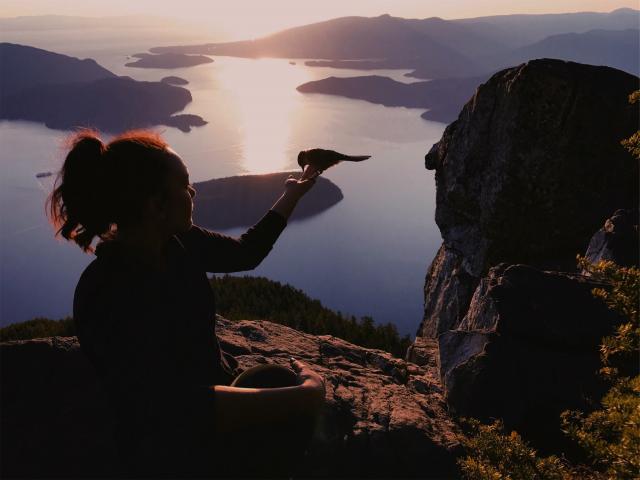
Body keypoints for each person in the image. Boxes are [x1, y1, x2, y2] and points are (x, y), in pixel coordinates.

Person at [48, 129, 326, 477]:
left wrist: (292, 194)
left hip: (211, 409)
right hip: (172, 451)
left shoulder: (179, 244)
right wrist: (304, 397)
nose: (193, 192)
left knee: (274, 377)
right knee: (293, 406)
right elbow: (172, 408)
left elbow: (246, 253)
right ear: (156, 206)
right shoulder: (106, 292)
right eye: (185, 184)